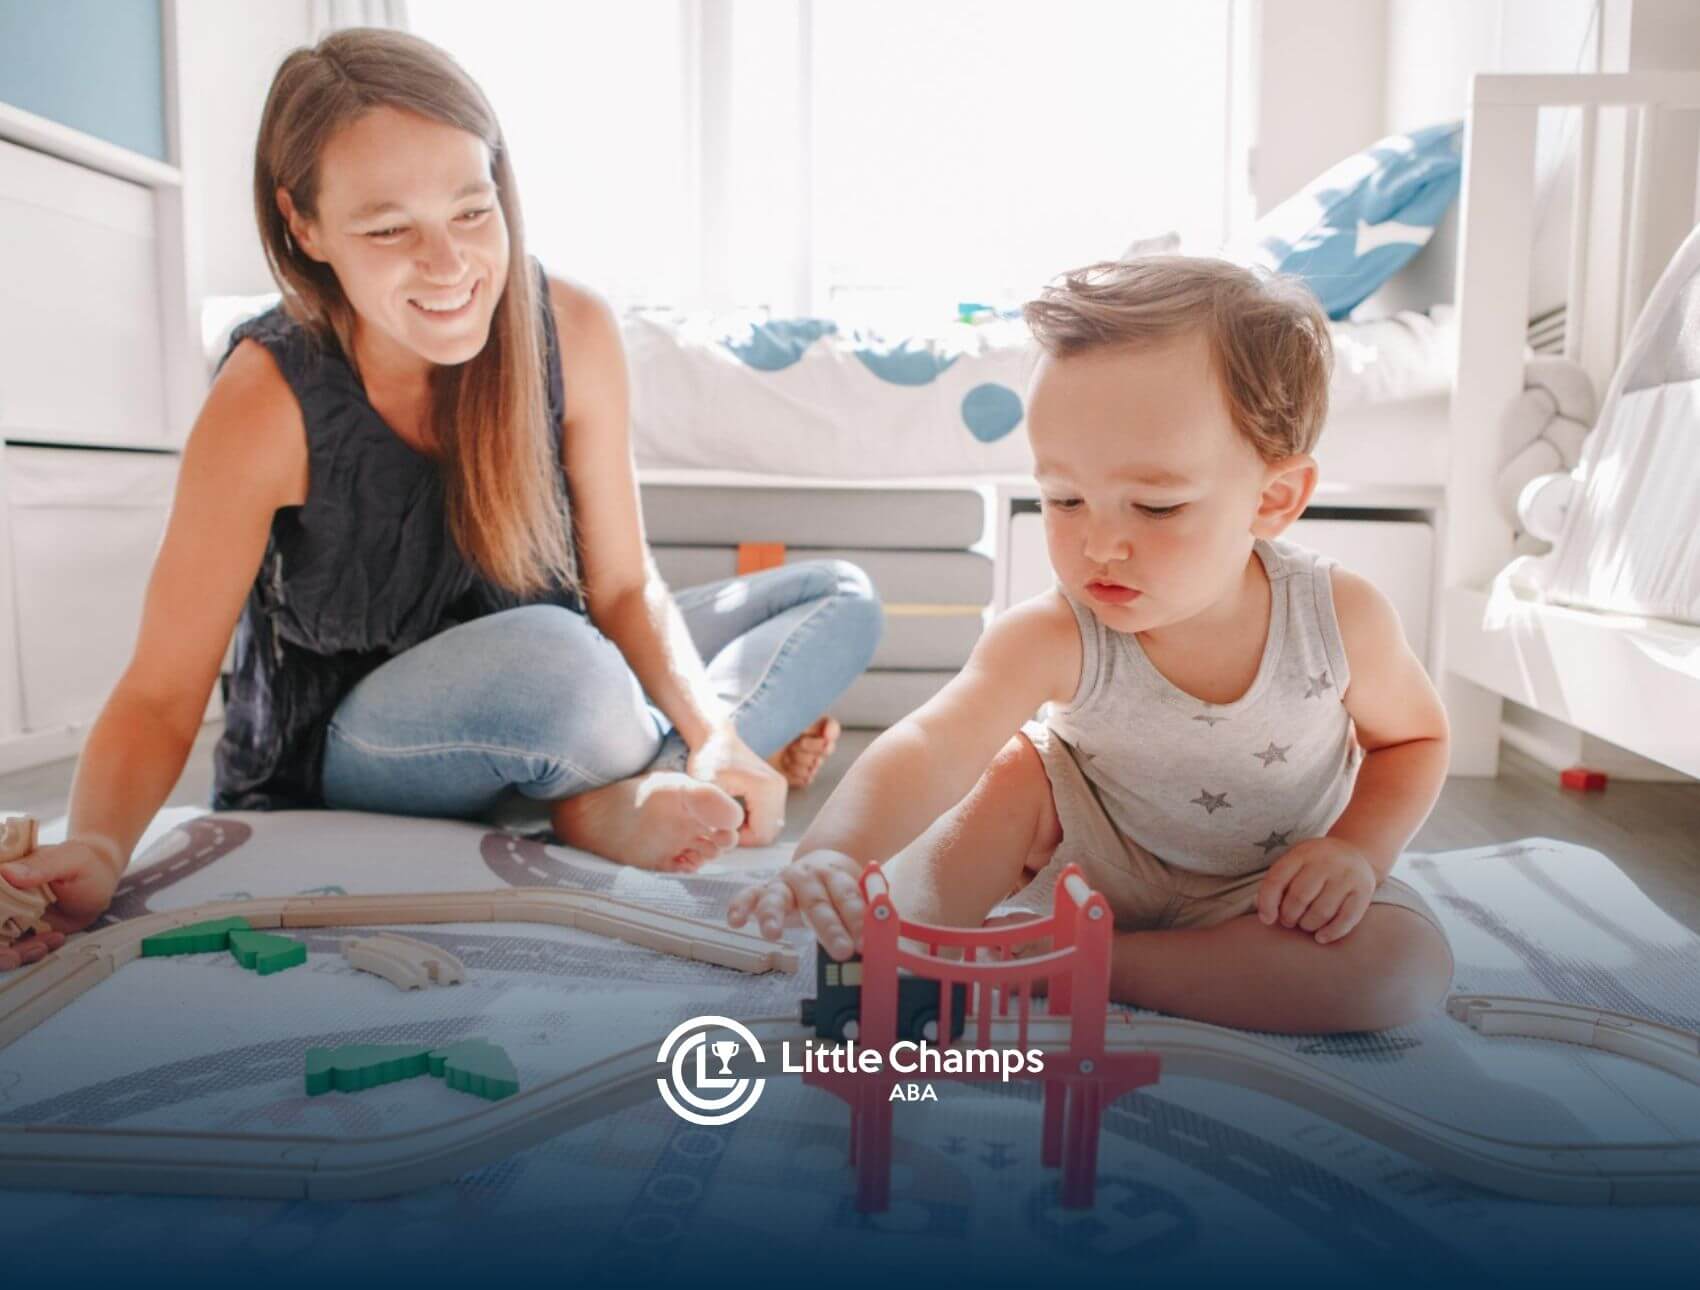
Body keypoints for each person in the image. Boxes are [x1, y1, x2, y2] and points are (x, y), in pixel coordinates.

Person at [0, 29, 881, 972]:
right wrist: (97, 846)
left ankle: (625, 783)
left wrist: (715, 739)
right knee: (563, 666)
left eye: (472, 211)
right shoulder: (265, 399)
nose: (450, 264)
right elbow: (161, 692)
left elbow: (626, 587)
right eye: (388, 230)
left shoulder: (571, 328)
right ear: (304, 226)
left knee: (837, 598)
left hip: (563, 680)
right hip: (362, 747)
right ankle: (600, 788)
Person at [728, 256, 1456, 1036]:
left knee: (1400, 974)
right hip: (1086, 865)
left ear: (1273, 498)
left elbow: (1414, 738)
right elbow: (934, 742)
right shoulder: (1055, 632)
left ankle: (1088, 962)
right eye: (1064, 498)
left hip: (1268, 891)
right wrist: (836, 852)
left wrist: (1356, 851)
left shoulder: (1340, 618)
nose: (1100, 543)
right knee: (1014, 771)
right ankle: (910, 938)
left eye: (1155, 505)